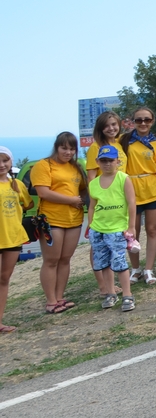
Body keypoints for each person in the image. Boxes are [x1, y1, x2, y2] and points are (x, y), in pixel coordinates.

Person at [30, 132, 88, 313]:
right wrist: (71, 200)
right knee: (51, 260)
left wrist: (83, 200)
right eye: (64, 148)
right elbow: (43, 192)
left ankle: (60, 297)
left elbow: (83, 189)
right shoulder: (44, 165)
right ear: (57, 147)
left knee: (65, 259)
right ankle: (51, 302)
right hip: (51, 220)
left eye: (72, 149)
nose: (68, 152)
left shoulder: (76, 167)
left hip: (74, 219)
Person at [85, 146, 137, 312]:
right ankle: (111, 292)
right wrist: (90, 225)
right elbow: (92, 206)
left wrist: (131, 226)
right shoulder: (93, 183)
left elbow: (131, 202)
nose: (107, 164)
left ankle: (127, 294)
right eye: (103, 160)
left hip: (117, 229)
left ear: (117, 161)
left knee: (119, 261)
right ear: (97, 162)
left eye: (110, 160)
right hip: (98, 229)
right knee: (104, 263)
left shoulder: (123, 178)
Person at [121, 109, 156, 284]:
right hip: (131, 191)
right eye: (139, 120)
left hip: (153, 190)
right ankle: (135, 269)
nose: (143, 123)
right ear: (133, 121)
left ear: (152, 121)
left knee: (152, 229)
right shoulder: (124, 141)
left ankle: (149, 269)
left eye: (147, 119)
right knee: (132, 232)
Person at [0, 146, 33, 332]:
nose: (1, 165)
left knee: (4, 279)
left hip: (13, 237)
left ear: (11, 162)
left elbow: (28, 203)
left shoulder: (17, 184)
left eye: (5, 160)